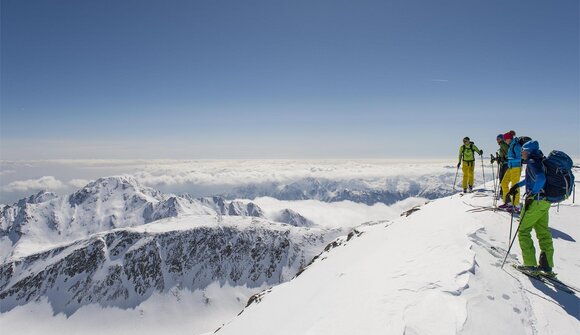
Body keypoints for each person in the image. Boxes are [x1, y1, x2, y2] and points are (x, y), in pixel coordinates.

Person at [506, 140, 555, 276]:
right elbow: (530, 179)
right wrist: (517, 185)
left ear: (527, 151)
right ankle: (547, 266)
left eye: (523, 150)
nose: (521, 153)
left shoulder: (533, 162)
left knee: (523, 230)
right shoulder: (539, 160)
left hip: (536, 201)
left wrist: (532, 194)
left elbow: (540, 179)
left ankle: (530, 265)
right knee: (543, 233)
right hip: (544, 202)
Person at [500, 132, 522, 211]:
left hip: (516, 168)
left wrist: (510, 159)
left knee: (515, 186)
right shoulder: (510, 146)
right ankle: (508, 202)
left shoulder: (516, 146)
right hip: (511, 167)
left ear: (509, 138)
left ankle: (516, 205)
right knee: (503, 183)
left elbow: (521, 158)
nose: (505, 141)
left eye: (505, 139)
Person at [491, 134, 509, 198]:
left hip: (505, 164)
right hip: (504, 164)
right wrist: (497, 159)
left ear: (502, 139)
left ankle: (503, 193)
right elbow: (502, 155)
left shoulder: (503, 144)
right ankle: (502, 193)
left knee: (502, 178)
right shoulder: (503, 145)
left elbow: (508, 154)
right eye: (497, 139)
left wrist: (501, 159)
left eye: (498, 139)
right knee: (502, 178)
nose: (497, 141)